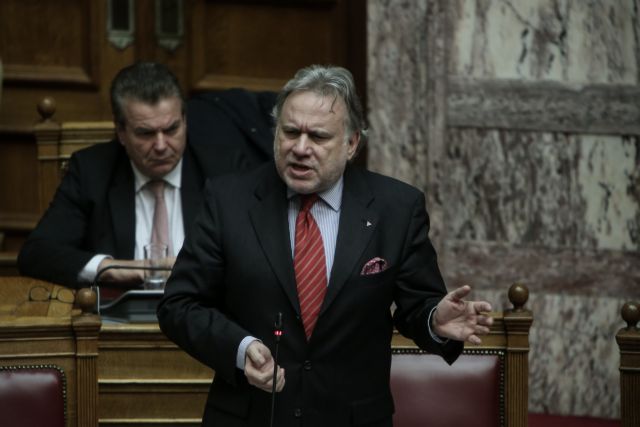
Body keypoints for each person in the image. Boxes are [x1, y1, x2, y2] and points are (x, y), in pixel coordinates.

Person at [157, 65, 493, 427]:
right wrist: (240, 348)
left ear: (351, 144)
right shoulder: (229, 201)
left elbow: (418, 305)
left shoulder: (396, 208)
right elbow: (180, 305)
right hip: (250, 415)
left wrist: (434, 320)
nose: (300, 149)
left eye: (318, 137)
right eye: (290, 132)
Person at [17, 61, 273, 292]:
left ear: (185, 120)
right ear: (121, 132)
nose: (161, 145)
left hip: (202, 317)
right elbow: (36, 254)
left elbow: (259, 254)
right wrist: (114, 269)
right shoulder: (92, 170)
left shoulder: (222, 167)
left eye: (171, 129)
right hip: (117, 320)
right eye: (146, 133)